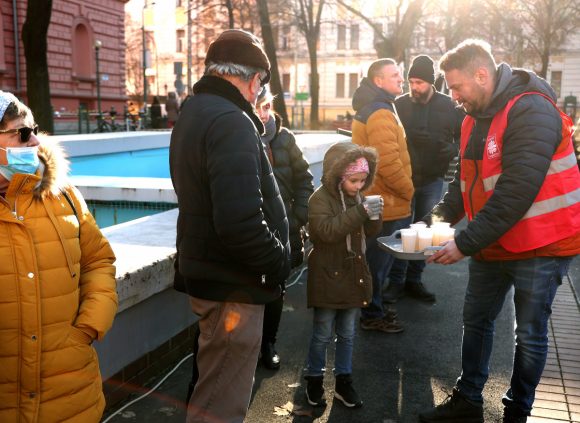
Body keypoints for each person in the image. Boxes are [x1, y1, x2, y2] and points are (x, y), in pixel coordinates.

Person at [419, 40, 580, 423]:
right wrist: (436, 220)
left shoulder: (531, 109)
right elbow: (464, 180)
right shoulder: (473, 115)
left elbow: (516, 191)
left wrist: (465, 242)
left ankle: (517, 411)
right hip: (496, 239)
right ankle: (468, 400)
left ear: (482, 74)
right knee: (476, 319)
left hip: (543, 243)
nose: (453, 96)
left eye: (457, 87)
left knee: (529, 334)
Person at [169, 29, 291, 423]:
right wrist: (279, 262)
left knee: (211, 390)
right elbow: (239, 224)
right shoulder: (231, 120)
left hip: (217, 277)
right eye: (260, 85)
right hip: (233, 286)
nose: (259, 94)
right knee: (221, 402)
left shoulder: (196, 111)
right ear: (255, 79)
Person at [0, 91, 118, 422]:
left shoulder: (62, 194)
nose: (35, 140)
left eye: (33, 128)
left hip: (73, 398)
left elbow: (98, 261)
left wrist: (89, 327)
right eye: (22, 133)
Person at [304, 142, 382, 409]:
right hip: (327, 275)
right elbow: (325, 231)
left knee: (348, 333)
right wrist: (360, 212)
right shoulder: (319, 199)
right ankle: (314, 378)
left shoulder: (357, 198)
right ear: (338, 175)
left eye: (363, 180)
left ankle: (343, 380)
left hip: (354, 275)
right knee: (323, 333)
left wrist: (373, 216)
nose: (359, 186)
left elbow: (367, 233)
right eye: (353, 180)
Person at [385, 54, 463, 303]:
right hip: (404, 180)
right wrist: (408, 139)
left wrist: (454, 149)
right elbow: (389, 137)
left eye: (419, 82)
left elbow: (467, 134)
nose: (414, 87)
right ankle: (395, 283)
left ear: (431, 82)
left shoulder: (449, 105)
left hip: (432, 179)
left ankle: (414, 281)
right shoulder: (399, 104)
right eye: (411, 82)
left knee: (424, 232)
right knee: (402, 232)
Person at [351, 58, 412, 333]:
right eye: (395, 75)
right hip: (385, 201)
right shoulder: (380, 112)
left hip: (381, 199)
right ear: (378, 81)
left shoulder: (380, 108)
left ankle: (374, 309)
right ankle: (372, 315)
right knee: (377, 263)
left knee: (377, 262)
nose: (402, 79)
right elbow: (386, 162)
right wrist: (409, 191)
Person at [256, 85, 314, 369]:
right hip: (252, 230)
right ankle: (250, 345)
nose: (263, 114)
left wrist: (300, 214)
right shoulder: (239, 136)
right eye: (258, 107)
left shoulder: (284, 137)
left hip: (285, 229)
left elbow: (304, 179)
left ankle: (269, 343)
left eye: (267, 107)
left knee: (276, 289)